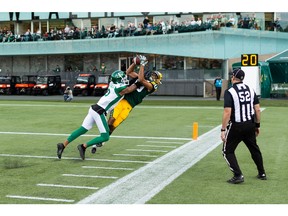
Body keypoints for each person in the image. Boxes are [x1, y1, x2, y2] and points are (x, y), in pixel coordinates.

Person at [56, 68, 144, 160]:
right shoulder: (120, 88)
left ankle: (63, 145)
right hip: (100, 111)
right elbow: (131, 88)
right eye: (123, 78)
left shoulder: (112, 84)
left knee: (83, 129)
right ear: (118, 80)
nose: (125, 79)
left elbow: (126, 78)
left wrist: (134, 64)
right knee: (105, 136)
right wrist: (139, 81)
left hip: (94, 108)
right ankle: (83, 146)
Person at [91, 56, 162, 153]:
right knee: (111, 119)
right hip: (123, 101)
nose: (153, 77)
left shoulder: (152, 86)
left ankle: (102, 140)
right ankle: (101, 138)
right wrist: (134, 62)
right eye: (153, 75)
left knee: (114, 126)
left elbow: (141, 80)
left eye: (155, 76)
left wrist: (142, 65)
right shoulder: (141, 78)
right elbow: (128, 72)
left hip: (129, 106)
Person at [221, 68, 266, 184]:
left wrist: (223, 129)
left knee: (227, 151)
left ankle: (238, 175)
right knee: (254, 149)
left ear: (233, 78)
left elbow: (227, 112)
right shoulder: (251, 89)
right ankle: (262, 173)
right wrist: (257, 125)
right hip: (249, 124)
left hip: (236, 126)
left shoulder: (230, 91)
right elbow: (257, 110)